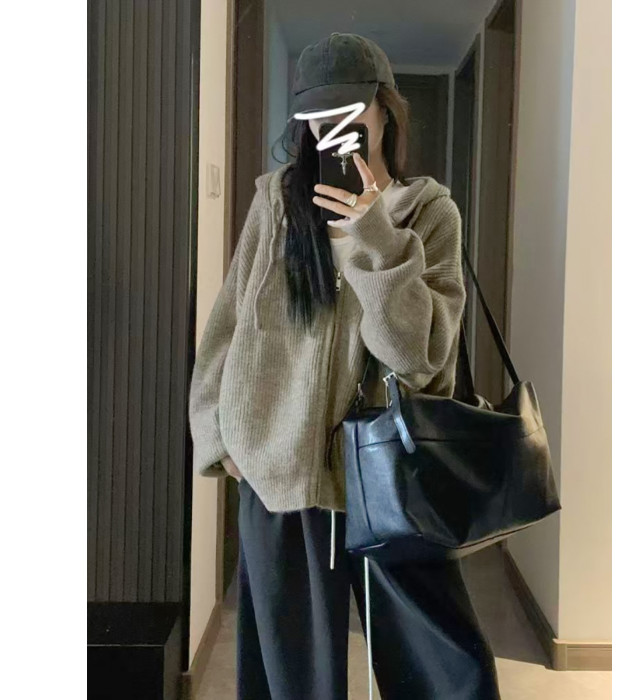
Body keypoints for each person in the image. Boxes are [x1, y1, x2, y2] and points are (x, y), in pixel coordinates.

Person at [188, 31, 502, 700]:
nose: (330, 125)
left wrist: (374, 237)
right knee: (290, 676)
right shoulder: (277, 200)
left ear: (385, 109)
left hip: (388, 474)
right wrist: (220, 438)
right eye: (316, 113)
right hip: (277, 466)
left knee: (442, 668)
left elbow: (421, 358)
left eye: (348, 110)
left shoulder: (429, 212)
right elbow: (227, 321)